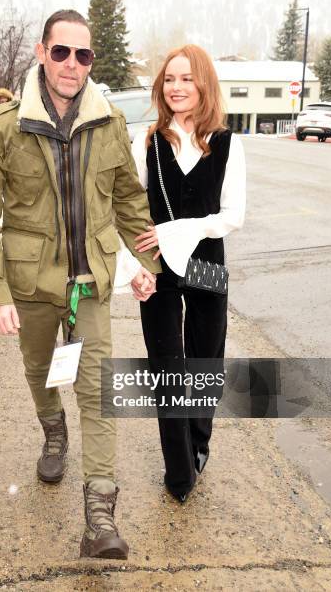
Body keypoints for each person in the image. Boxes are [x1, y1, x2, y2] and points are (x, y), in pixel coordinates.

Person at [0, 9, 159, 560]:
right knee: (37, 370)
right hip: (31, 285)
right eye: (62, 52)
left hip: (90, 284)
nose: (72, 64)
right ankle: (53, 429)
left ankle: (99, 516)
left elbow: (128, 202)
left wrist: (148, 266)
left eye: (84, 54)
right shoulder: (3, 127)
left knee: (97, 393)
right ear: (41, 51)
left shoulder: (108, 123)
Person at [131, 44, 246, 502]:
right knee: (167, 367)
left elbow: (232, 215)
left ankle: (199, 442)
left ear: (203, 85)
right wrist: (134, 266)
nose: (176, 88)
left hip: (206, 262)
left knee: (203, 362)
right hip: (158, 266)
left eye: (187, 79)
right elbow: (133, 207)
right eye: (169, 79)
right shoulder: (149, 140)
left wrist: (175, 230)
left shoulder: (227, 142)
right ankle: (178, 470)